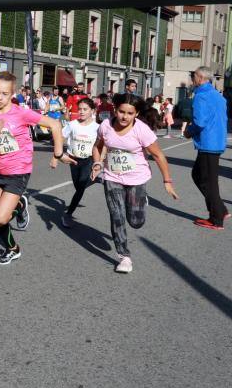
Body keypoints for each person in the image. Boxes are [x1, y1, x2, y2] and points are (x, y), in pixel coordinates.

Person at [0, 72, 74, 265]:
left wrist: (57, 153)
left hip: (18, 171)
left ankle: (21, 205)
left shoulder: (21, 113)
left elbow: (55, 124)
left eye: (4, 93)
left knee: (0, 216)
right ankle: (13, 249)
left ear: (12, 93)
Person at [90, 93, 178, 272]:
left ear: (136, 114)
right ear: (116, 110)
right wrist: (97, 163)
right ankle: (124, 256)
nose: (124, 117)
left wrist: (167, 181)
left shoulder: (141, 130)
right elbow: (98, 146)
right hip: (112, 177)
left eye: (130, 113)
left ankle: (141, 201)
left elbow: (158, 155)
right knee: (117, 216)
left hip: (137, 178)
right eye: (122, 112)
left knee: (136, 221)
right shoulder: (106, 126)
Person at [184, 66, 229, 230]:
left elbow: (200, 122)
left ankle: (217, 218)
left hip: (209, 143)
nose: (192, 78)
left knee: (208, 182)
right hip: (216, 141)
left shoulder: (201, 96)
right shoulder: (218, 96)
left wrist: (189, 131)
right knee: (199, 175)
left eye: (193, 75)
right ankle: (220, 209)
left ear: (201, 77)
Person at [60, 98, 100, 228]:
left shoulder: (97, 128)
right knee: (78, 186)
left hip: (88, 160)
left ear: (92, 111)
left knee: (81, 187)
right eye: (80, 109)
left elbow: (102, 145)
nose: (81, 112)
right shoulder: (72, 124)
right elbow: (61, 137)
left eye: (85, 109)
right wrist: (58, 154)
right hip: (73, 159)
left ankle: (68, 214)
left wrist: (99, 160)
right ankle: (96, 180)